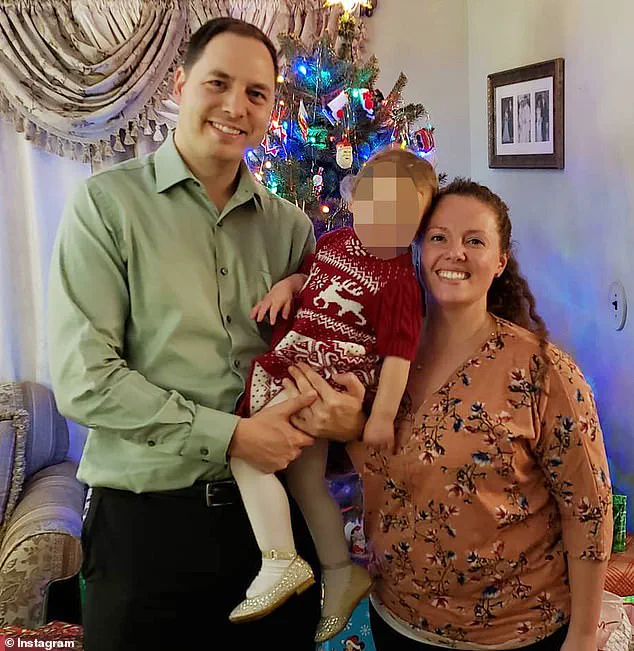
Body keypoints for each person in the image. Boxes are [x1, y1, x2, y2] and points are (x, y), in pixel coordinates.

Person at [47, 17, 363, 651]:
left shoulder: (292, 229)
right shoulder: (105, 207)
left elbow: (325, 351)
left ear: (272, 109)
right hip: (147, 530)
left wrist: (348, 413)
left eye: (256, 93)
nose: (236, 106)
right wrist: (235, 436)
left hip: (273, 533)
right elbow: (85, 381)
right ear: (179, 83)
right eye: (218, 83)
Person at [283, 179, 613, 651]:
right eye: (439, 237)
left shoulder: (542, 371)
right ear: (418, 250)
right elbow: (364, 460)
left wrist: (582, 635)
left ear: (500, 261)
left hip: (515, 633)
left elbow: (589, 509)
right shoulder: (374, 354)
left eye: (474, 241)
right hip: (397, 619)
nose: (454, 253)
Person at [228, 147, 437, 643]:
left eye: (403, 217)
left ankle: (280, 558)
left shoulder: (399, 281)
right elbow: (315, 275)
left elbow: (399, 356)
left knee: (245, 452)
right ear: (356, 199)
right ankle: (340, 571)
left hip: (329, 372)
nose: (385, 224)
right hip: (303, 360)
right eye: (377, 207)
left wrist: (380, 417)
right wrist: (288, 285)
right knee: (306, 480)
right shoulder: (335, 241)